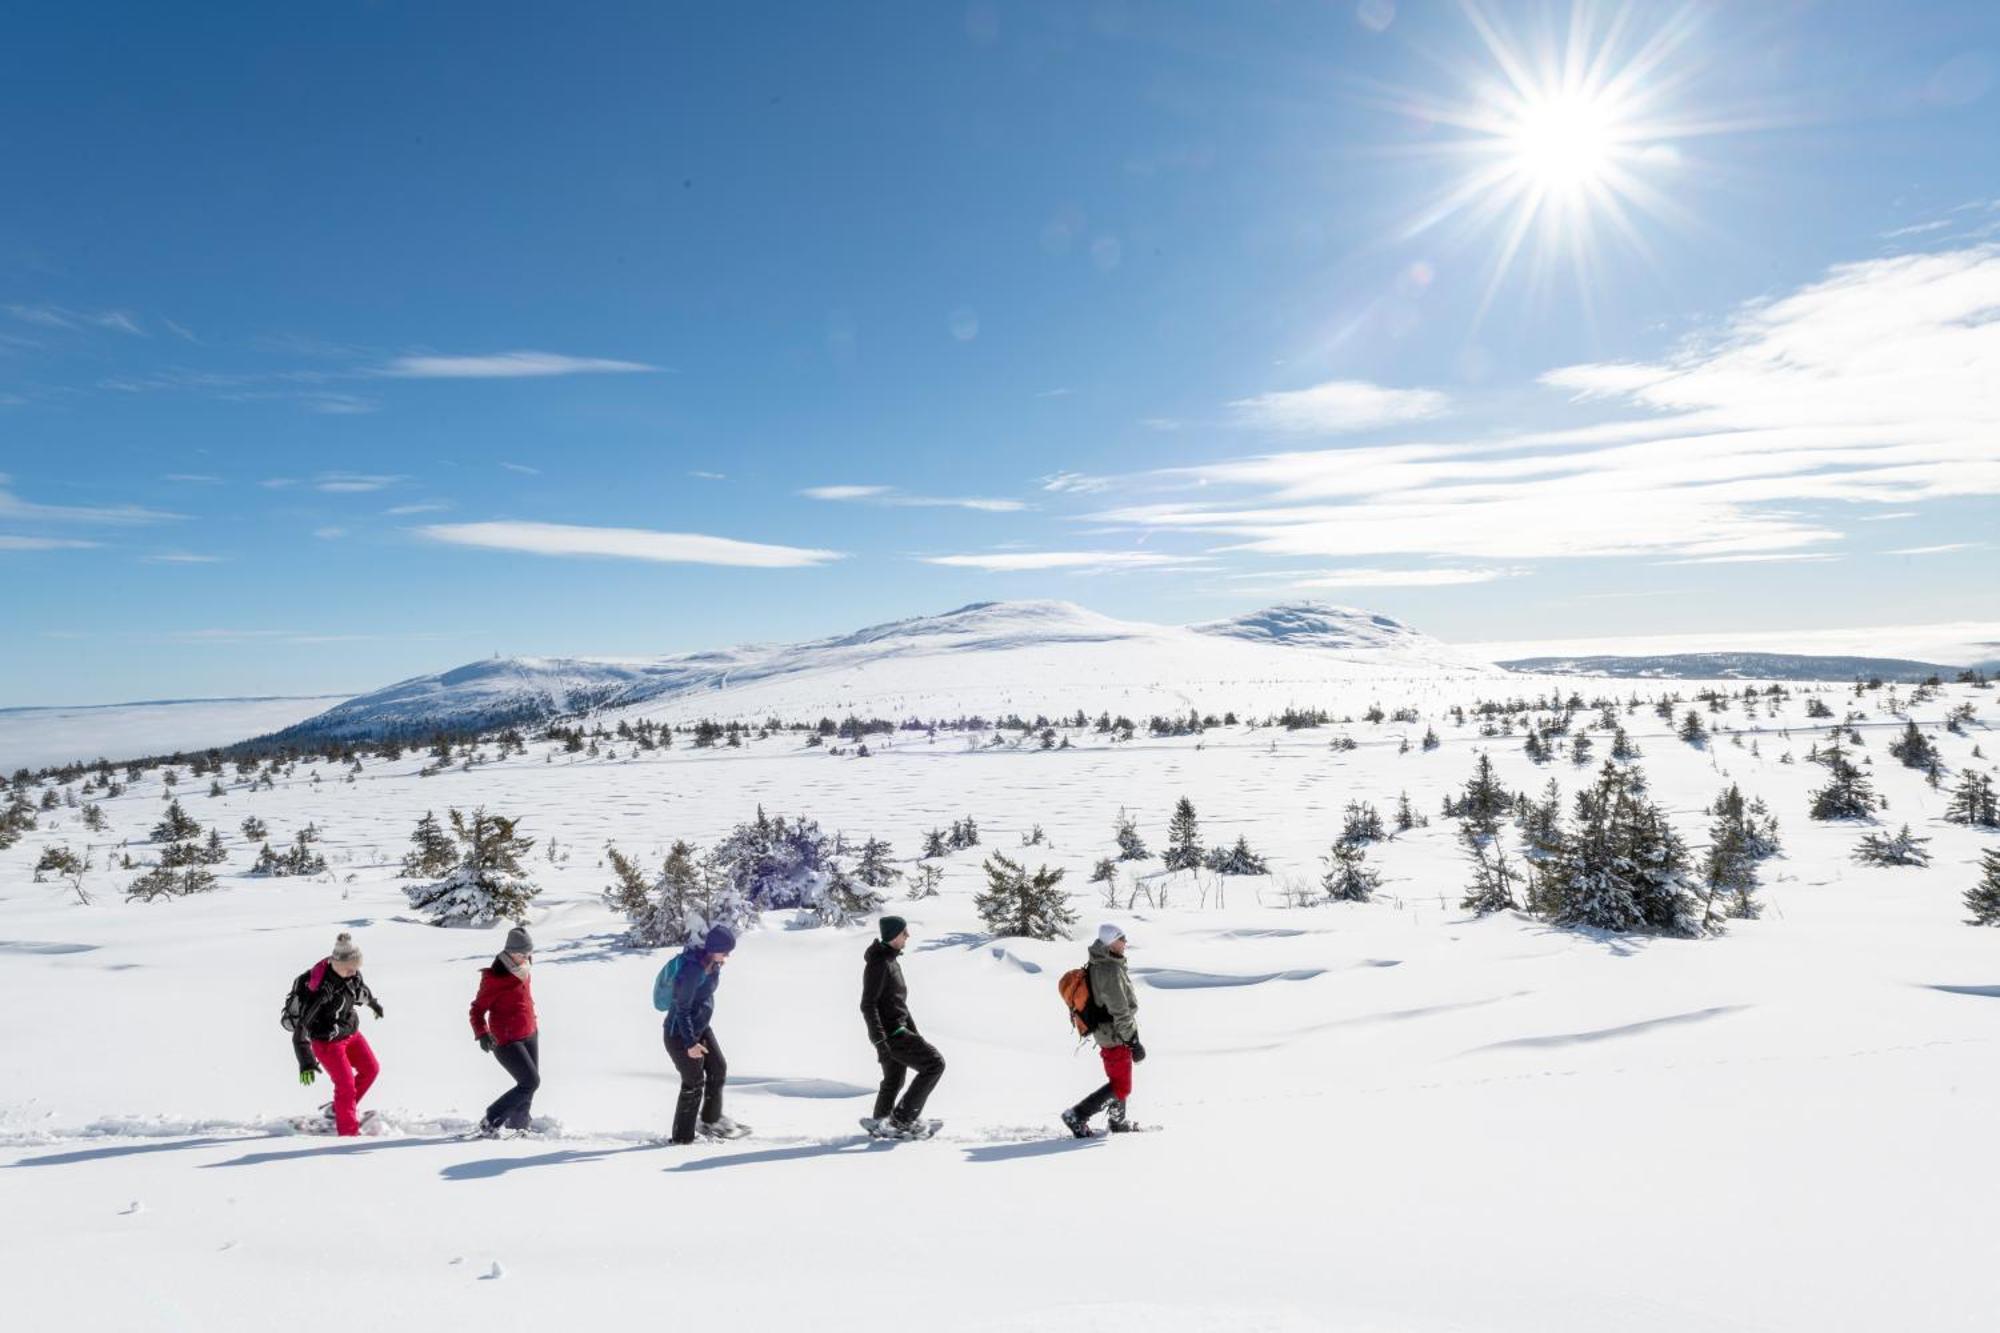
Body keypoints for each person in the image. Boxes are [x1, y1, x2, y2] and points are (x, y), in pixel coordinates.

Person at [285, 932, 384, 1137]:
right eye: (349, 969)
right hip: (327, 1043)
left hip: (350, 1032)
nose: (353, 973)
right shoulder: (321, 990)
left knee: (371, 1069)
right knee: (346, 1085)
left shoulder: (352, 974)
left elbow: (361, 991)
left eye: (356, 968)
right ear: (336, 965)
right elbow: (301, 1029)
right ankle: (348, 1135)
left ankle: (339, 1110)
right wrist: (306, 1060)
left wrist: (374, 1004)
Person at [860, 915, 946, 1137]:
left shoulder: (890, 961)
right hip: (892, 1034)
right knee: (935, 1064)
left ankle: (881, 1124)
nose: (907, 935)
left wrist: (914, 1032)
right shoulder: (879, 964)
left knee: (894, 1079)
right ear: (893, 935)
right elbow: (868, 1005)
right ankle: (902, 1120)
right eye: (903, 932)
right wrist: (880, 1039)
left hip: (897, 1031)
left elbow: (899, 1004)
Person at [660, 924, 746, 1144]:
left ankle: (710, 1121)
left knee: (718, 1068)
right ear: (714, 948)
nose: (727, 956)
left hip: (700, 1028)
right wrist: (690, 1044)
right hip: (680, 1036)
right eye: (724, 951)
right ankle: (682, 1138)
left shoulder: (712, 964)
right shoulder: (692, 970)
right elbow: (682, 1009)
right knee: (694, 1081)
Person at [1061, 922, 1144, 1138]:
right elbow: (1120, 1011)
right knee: (1122, 1086)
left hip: (1110, 1032)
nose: (1125, 942)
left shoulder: (1103, 962)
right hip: (1115, 1034)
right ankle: (1077, 1115)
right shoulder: (1110, 969)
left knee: (1118, 1079)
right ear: (1110, 942)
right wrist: (1133, 1041)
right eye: (1121, 938)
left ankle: (1118, 1121)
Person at [469, 923, 539, 1137]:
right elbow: (477, 1009)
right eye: (521, 954)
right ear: (509, 952)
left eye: (528, 953)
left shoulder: (524, 968)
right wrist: (482, 1033)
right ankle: (492, 1118)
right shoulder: (495, 978)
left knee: (528, 1084)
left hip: (530, 1031)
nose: (525, 957)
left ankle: (519, 1124)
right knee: (530, 1082)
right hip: (506, 1039)